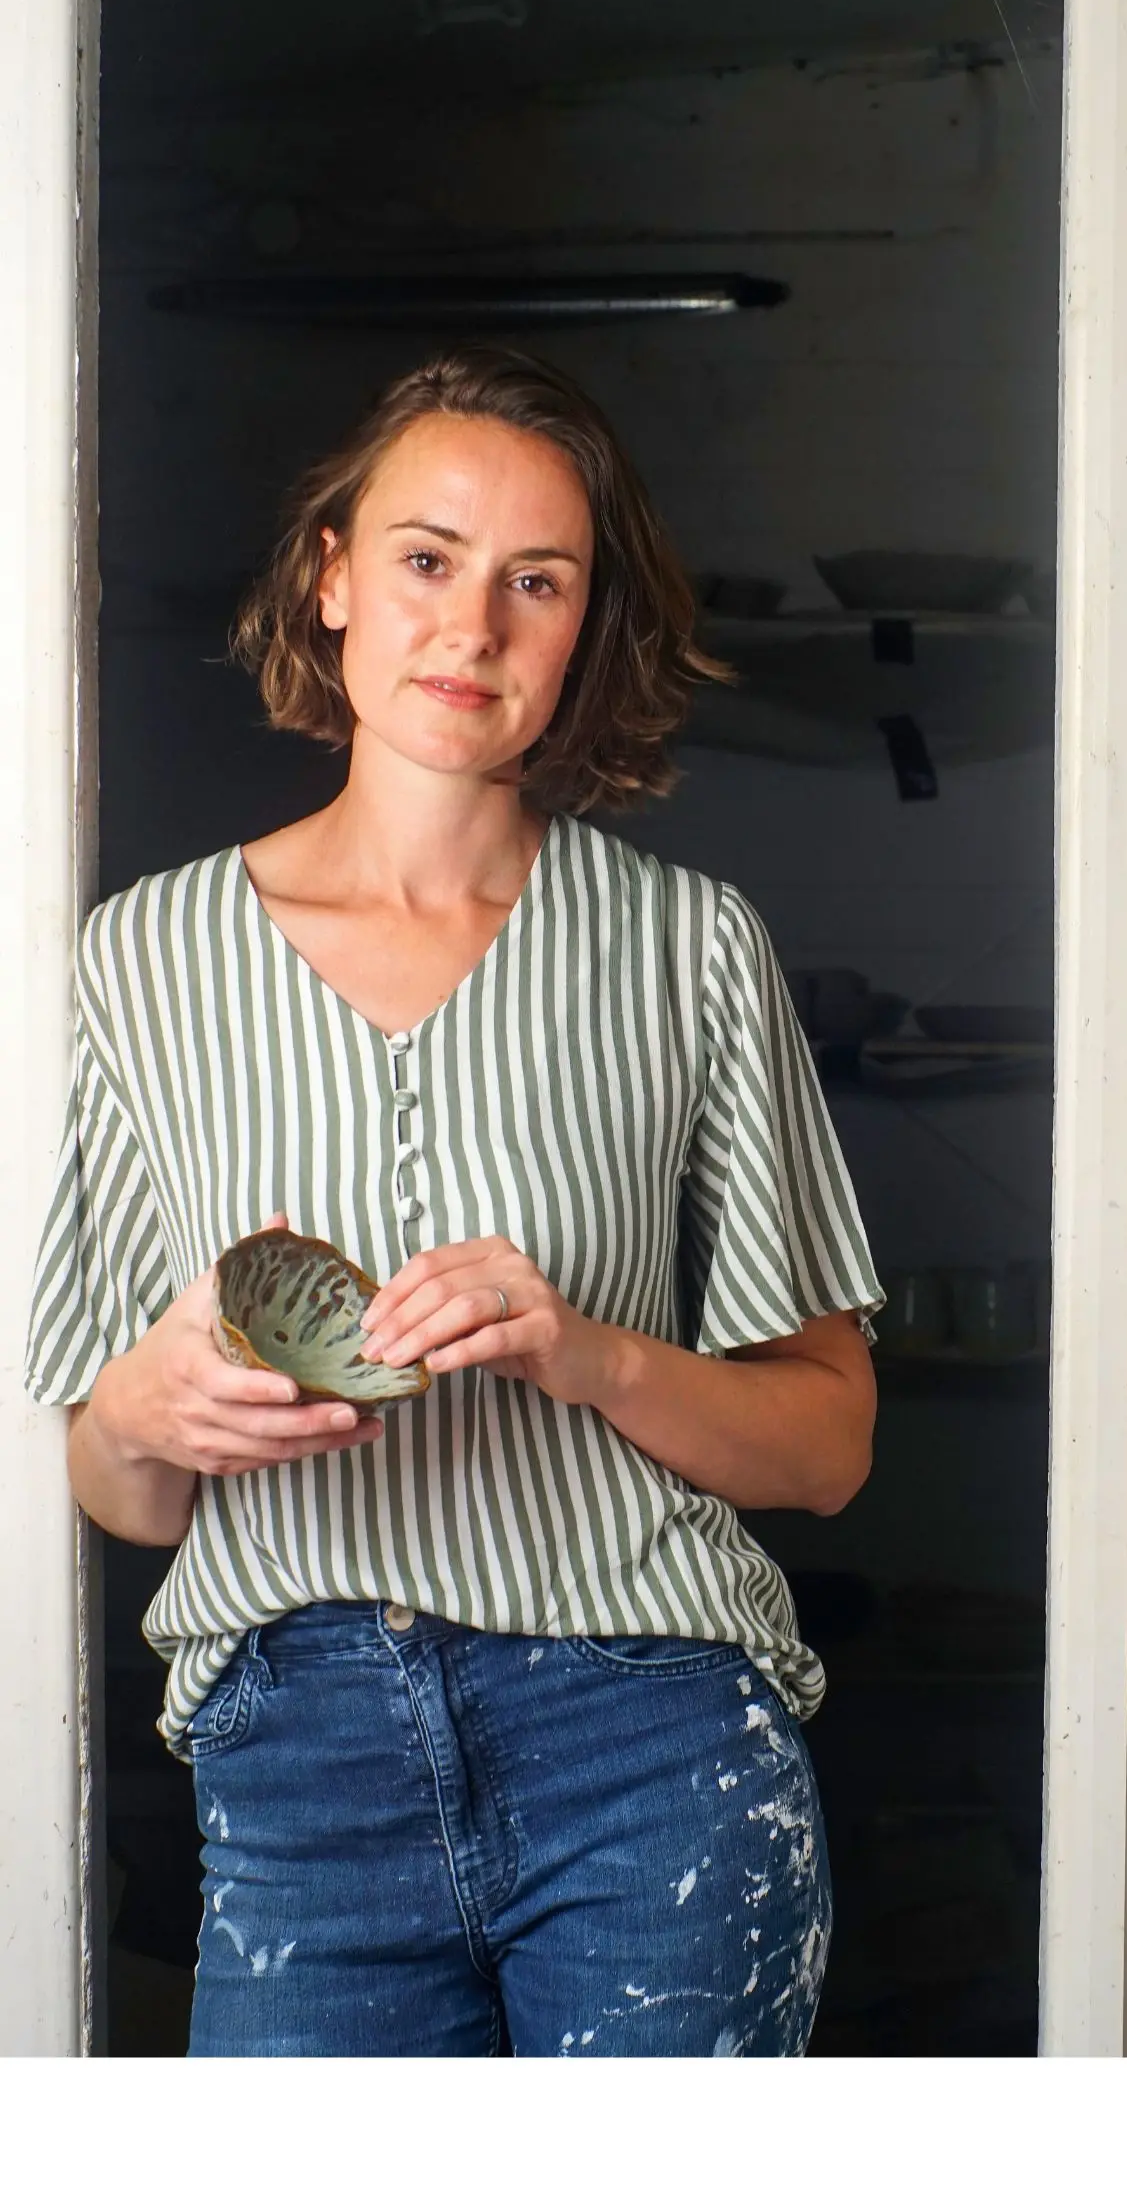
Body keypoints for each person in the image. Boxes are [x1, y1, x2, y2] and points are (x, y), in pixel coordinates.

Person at [23, 346, 885, 2057]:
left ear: (585, 631)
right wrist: (150, 1401)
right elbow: (120, 1490)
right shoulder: (148, 958)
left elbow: (829, 1446)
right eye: (425, 559)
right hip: (300, 1762)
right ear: (332, 576)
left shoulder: (687, 948)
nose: (471, 626)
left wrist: (588, 1352)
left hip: (652, 1746)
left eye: (536, 583)